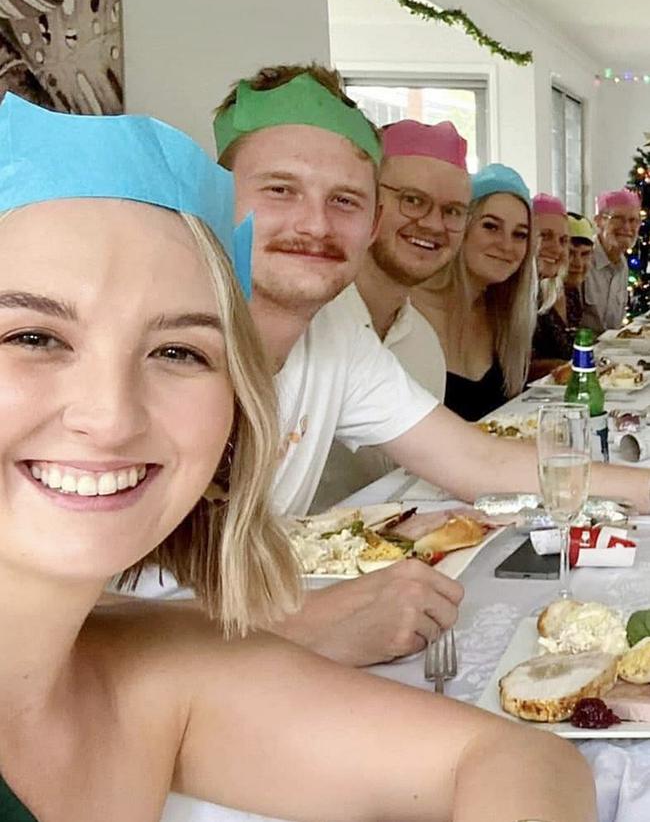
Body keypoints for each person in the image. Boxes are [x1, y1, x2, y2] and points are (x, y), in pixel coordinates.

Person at [0, 92, 598, 822]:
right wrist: (298, 623)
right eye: (31, 337)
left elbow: (521, 760)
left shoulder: (149, 670)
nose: (110, 415)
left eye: (177, 351)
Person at [211, 65, 650, 670]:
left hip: (247, 652)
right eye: (280, 189)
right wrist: (300, 625)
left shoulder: (338, 334)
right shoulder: (155, 339)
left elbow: (476, 460)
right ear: (213, 194)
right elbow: (76, 610)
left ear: (368, 221)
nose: (315, 224)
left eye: (344, 200)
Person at [311, 118, 471, 510]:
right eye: (413, 200)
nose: (433, 224)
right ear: (369, 203)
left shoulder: (424, 344)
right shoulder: (307, 322)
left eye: (452, 211)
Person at [413, 163, 536, 421]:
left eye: (520, 235)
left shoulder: (503, 317)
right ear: (462, 229)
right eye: (491, 226)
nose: (506, 245)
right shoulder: (411, 311)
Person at [582, 189, 641, 334]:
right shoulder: (582, 260)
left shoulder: (623, 265)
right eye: (618, 218)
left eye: (633, 220)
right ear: (599, 221)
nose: (627, 227)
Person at [529, 193, 572, 379]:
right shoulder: (499, 293)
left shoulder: (549, 289)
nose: (557, 249)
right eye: (545, 236)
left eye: (563, 240)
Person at [565, 212, 596, 328]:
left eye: (585, 254)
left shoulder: (573, 294)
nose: (578, 263)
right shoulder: (539, 300)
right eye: (570, 253)